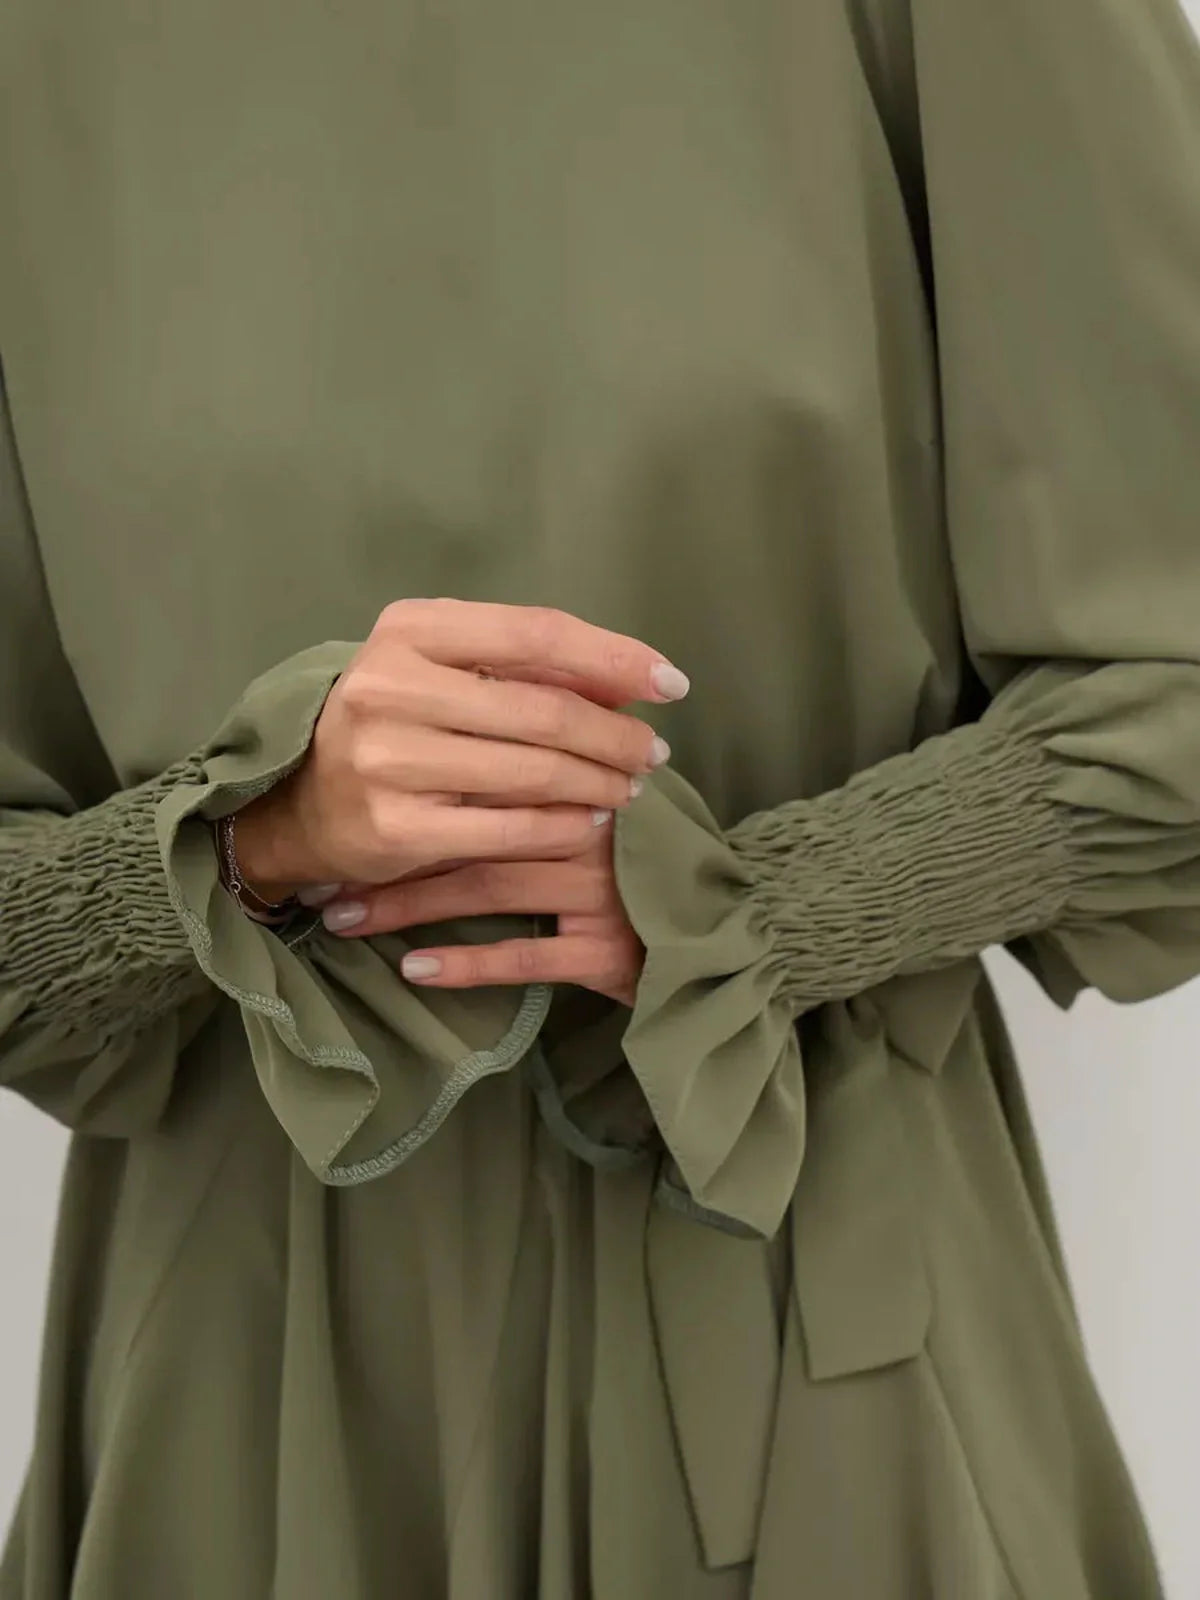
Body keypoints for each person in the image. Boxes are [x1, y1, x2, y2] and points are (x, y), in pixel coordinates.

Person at [1, 0, 1197, 1593]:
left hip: (793, 1296)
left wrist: (761, 913)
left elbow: (1173, 690)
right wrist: (245, 844)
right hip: (244, 1378)